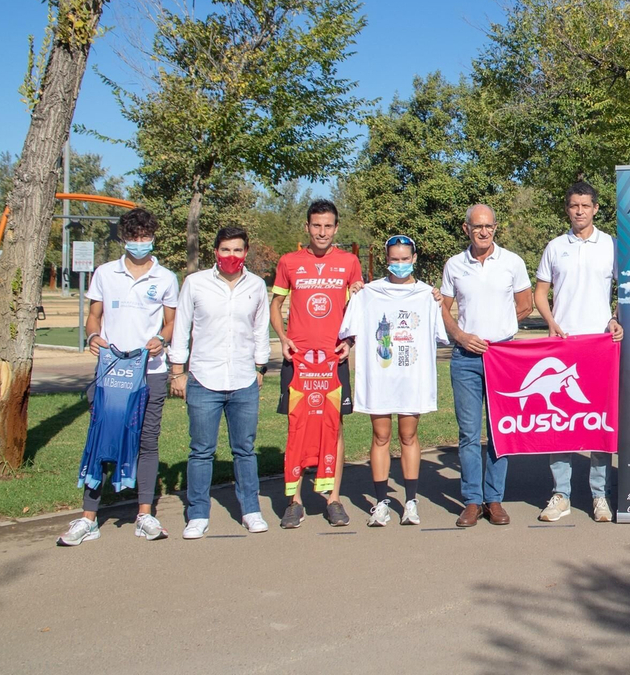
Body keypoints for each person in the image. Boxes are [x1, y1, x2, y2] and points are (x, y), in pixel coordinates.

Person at [57, 208, 179, 546]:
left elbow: (172, 322)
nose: (140, 243)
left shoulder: (166, 278)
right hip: (110, 374)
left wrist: (162, 339)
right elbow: (93, 317)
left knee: (146, 442)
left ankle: (144, 515)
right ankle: (87, 518)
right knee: (102, 441)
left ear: (153, 237)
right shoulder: (105, 273)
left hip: (149, 373)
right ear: (123, 238)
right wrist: (93, 336)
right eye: (133, 237)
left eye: (145, 237)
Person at [339, 235, 457, 527]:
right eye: (395, 259)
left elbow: (442, 334)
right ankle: (381, 503)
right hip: (379, 378)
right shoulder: (368, 293)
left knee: (408, 436)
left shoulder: (427, 295)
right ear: (386, 259)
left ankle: (411, 502)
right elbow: (349, 329)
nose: (400, 264)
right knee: (380, 436)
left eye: (406, 259)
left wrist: (439, 303)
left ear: (414, 259)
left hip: (411, 379)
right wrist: (353, 294)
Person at [169, 226, 272, 539]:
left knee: (245, 449)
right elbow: (182, 326)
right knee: (201, 451)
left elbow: (260, 330)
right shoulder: (196, 283)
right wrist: (177, 372)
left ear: (245, 252)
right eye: (225, 250)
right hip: (204, 379)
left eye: (237, 250)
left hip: (243, 379)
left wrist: (260, 367)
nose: (231, 256)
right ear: (216, 251)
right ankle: (198, 513)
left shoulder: (255, 286)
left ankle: (251, 509)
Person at [533, 182, 625, 523]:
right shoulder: (556, 247)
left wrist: (616, 318)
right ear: (567, 209)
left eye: (585, 205)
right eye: (574, 206)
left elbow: (625, 289)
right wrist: (551, 321)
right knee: (562, 420)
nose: (580, 211)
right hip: (563, 344)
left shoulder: (612, 246)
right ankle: (561, 494)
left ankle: (601, 495)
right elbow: (540, 292)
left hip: (602, 344)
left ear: (596, 208)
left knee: (599, 420)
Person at [270, 199, 364, 529]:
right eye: (316, 225)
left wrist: (349, 342)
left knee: (334, 428)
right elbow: (276, 303)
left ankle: (333, 499)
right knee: (296, 427)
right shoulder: (289, 261)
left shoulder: (349, 262)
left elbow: (357, 310)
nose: (322, 232)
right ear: (307, 228)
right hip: (299, 361)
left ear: (336, 228)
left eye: (328, 226)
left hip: (333, 360)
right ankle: (293, 502)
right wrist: (282, 338)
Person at [441, 203, 533, 527]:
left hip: (502, 356)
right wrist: (461, 336)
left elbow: (526, 304)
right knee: (468, 433)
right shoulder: (453, 265)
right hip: (465, 358)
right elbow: (445, 310)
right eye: (477, 226)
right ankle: (471, 501)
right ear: (466, 228)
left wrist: (501, 327)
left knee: (499, 431)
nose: (483, 231)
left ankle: (494, 499)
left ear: (496, 228)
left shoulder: (512, 262)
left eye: (489, 226)